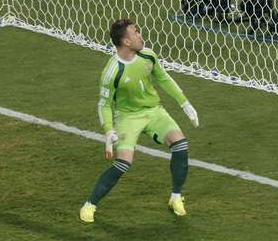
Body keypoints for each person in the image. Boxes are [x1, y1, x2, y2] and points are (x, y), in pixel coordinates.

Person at [79, 19, 200, 223]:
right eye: (136, 33)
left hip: (153, 111)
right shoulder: (112, 72)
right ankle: (90, 204)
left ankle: (176, 197)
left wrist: (184, 103)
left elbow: (163, 78)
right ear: (126, 41)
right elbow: (104, 104)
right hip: (127, 117)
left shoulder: (148, 55)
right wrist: (109, 130)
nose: (140, 36)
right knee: (124, 163)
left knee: (180, 145)